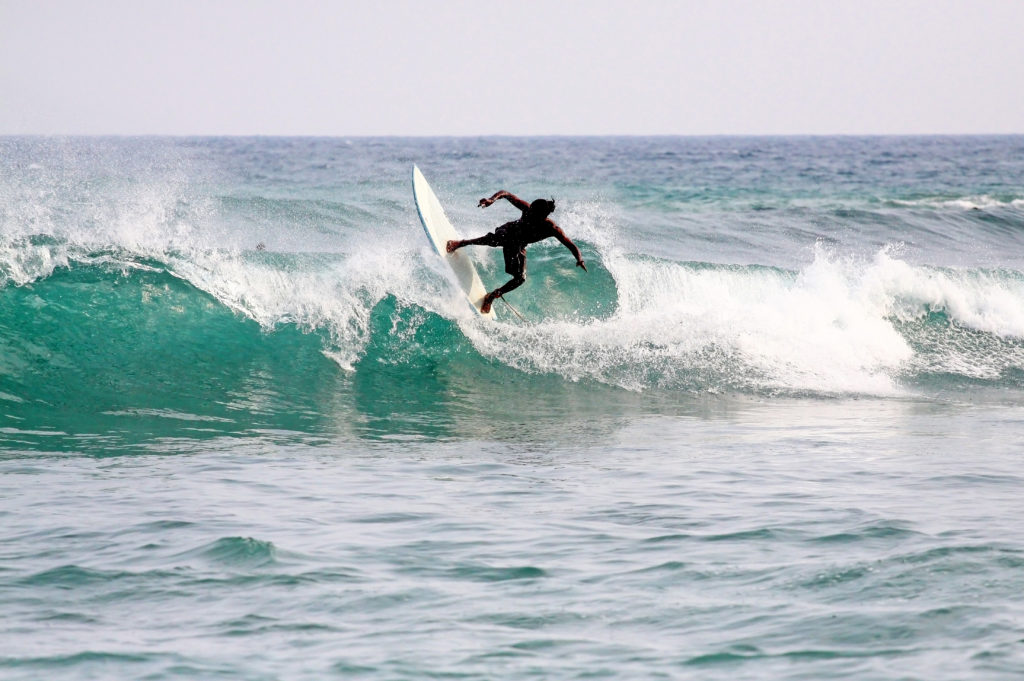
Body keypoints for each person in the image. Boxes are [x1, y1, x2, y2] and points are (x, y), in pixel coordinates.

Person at [446, 190, 586, 313]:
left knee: (520, 278)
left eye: (532, 212)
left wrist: (579, 259)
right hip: (507, 231)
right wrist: (492, 200)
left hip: (518, 245)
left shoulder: (551, 228)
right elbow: (506, 193)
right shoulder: (527, 209)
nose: (528, 212)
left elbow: (570, 244)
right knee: (497, 239)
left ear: (541, 217)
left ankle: (493, 295)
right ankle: (460, 243)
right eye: (529, 209)